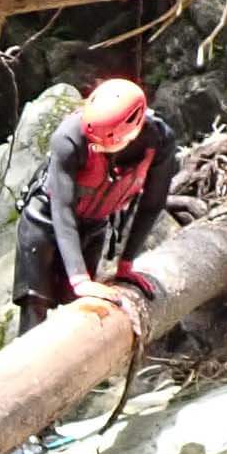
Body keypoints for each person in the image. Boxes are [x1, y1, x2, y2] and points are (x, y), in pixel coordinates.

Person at [13, 76, 176, 340]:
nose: (97, 148)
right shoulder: (68, 137)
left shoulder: (159, 140)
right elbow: (62, 208)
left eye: (103, 143)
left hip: (94, 224)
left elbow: (152, 204)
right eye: (94, 142)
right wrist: (81, 279)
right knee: (35, 305)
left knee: (79, 310)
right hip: (44, 221)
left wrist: (126, 264)